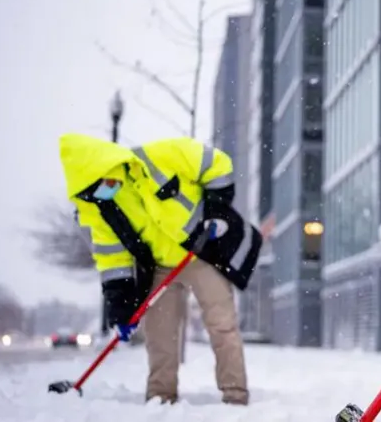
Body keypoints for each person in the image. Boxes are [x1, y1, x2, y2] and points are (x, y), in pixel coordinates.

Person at [59, 133, 262, 406]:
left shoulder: (162, 155)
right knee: (159, 335)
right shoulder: (102, 207)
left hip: (200, 255)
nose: (101, 193)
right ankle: (160, 397)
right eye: (93, 191)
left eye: (102, 184)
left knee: (222, 324)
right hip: (160, 267)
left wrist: (215, 211)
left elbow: (218, 164)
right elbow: (111, 257)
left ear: (110, 165)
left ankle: (235, 395)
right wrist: (120, 308)